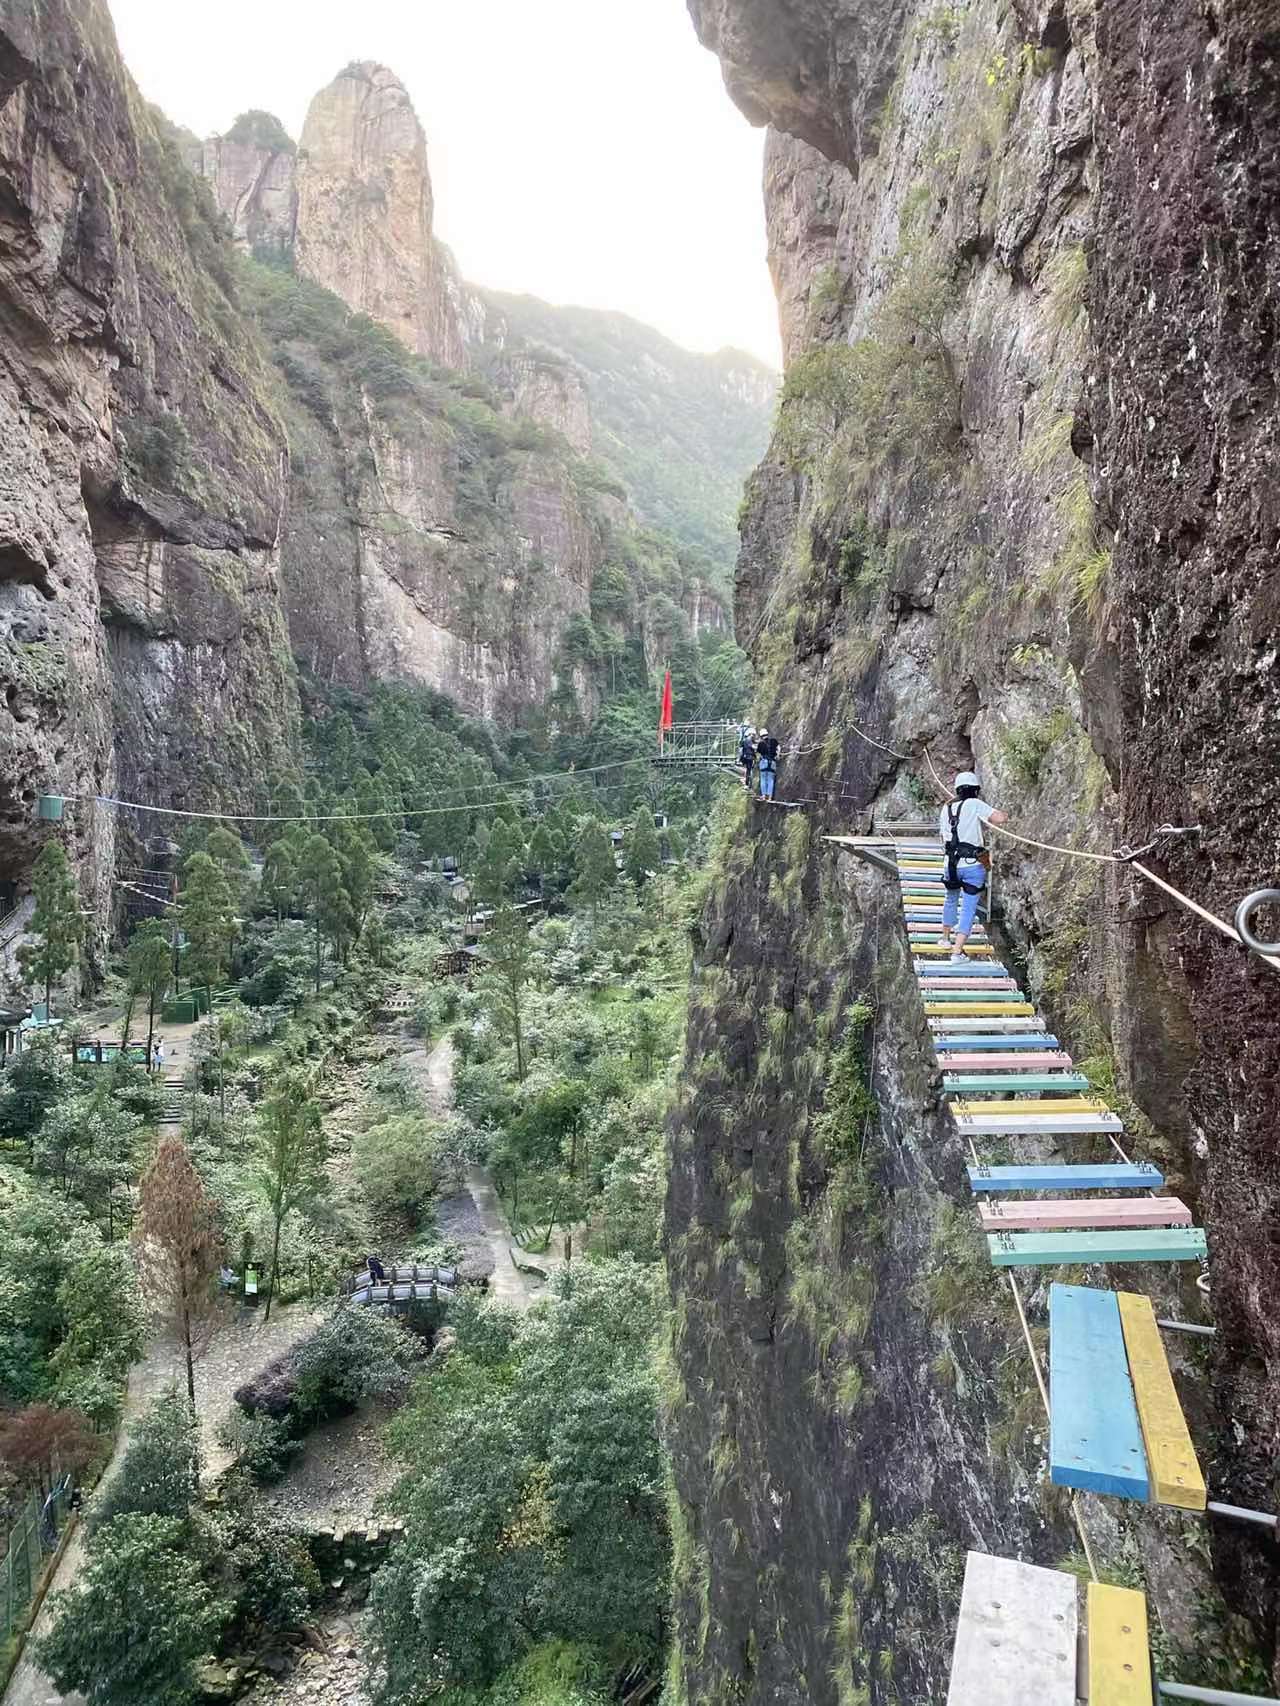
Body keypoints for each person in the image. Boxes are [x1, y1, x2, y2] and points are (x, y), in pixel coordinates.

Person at [939, 771, 1007, 961]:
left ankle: (945, 939)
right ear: (975, 790)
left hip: (950, 864)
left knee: (950, 899)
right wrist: (1005, 814)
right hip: (971, 866)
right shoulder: (975, 804)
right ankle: (957, 952)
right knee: (968, 907)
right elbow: (999, 819)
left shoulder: (946, 808)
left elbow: (943, 836)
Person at [755, 728, 780, 802]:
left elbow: (758, 753)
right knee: (770, 779)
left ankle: (763, 795)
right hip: (772, 762)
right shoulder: (774, 741)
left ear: (761, 736)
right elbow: (778, 748)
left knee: (763, 779)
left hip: (763, 762)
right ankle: (769, 797)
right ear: (767, 734)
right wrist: (777, 755)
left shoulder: (760, 743)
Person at [738, 725, 757, 790]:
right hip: (749, 757)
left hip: (746, 757)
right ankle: (747, 784)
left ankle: (747, 783)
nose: (754, 736)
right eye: (753, 735)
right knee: (749, 770)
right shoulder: (748, 740)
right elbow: (753, 746)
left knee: (748, 770)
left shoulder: (746, 740)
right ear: (751, 734)